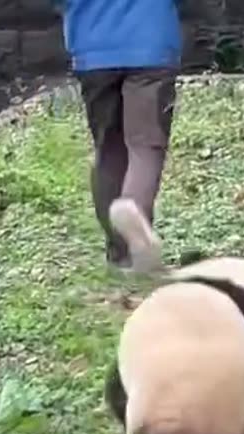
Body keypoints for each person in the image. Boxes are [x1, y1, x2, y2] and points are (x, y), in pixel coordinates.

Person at [56, 0, 183, 268]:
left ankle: (121, 254)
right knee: (145, 147)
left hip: (93, 50)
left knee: (109, 149)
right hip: (151, 43)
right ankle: (134, 224)